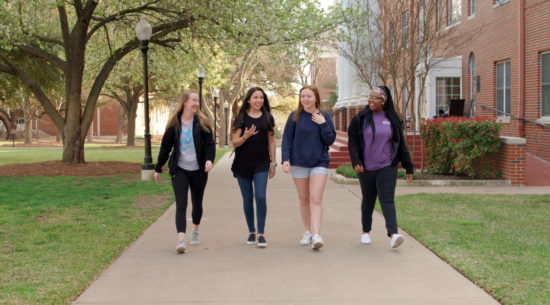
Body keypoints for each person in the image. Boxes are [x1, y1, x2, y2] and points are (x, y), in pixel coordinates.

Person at [347, 86, 414, 249]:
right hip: (366, 167)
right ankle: (366, 232)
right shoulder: (360, 118)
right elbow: (353, 142)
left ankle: (393, 234)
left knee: (387, 199)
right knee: (368, 200)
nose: (371, 100)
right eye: (370, 97)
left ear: (383, 101)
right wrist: (356, 160)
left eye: (375, 97)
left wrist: (408, 166)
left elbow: (400, 145)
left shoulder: (392, 119)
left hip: (387, 166)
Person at [154, 90, 215, 254]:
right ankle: (181, 240)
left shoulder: (202, 123)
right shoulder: (175, 124)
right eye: (194, 100)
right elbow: (165, 148)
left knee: (197, 203)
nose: (196, 103)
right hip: (180, 170)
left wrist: (209, 160)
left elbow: (210, 144)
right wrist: (158, 167)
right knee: (181, 204)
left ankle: (195, 230)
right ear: (185, 103)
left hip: (198, 171)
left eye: (197, 101)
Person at [281, 85, 336, 250]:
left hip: (320, 162)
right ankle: (307, 232)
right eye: (302, 96)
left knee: (316, 198)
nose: (305, 99)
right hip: (299, 163)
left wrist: (323, 124)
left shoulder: (324, 116)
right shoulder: (295, 116)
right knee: (303, 199)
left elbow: (330, 140)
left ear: (316, 98)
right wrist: (285, 159)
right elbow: (287, 140)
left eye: (309, 96)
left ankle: (317, 235)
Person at [231, 87, 276, 248]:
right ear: (248, 100)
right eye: (255, 97)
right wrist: (245, 136)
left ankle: (261, 234)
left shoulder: (267, 118)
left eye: (261, 98)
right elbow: (234, 142)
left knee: (261, 196)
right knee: (248, 199)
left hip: (262, 163)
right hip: (242, 163)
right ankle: (251, 231)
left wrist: (273, 163)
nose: (259, 100)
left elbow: (271, 142)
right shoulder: (241, 118)